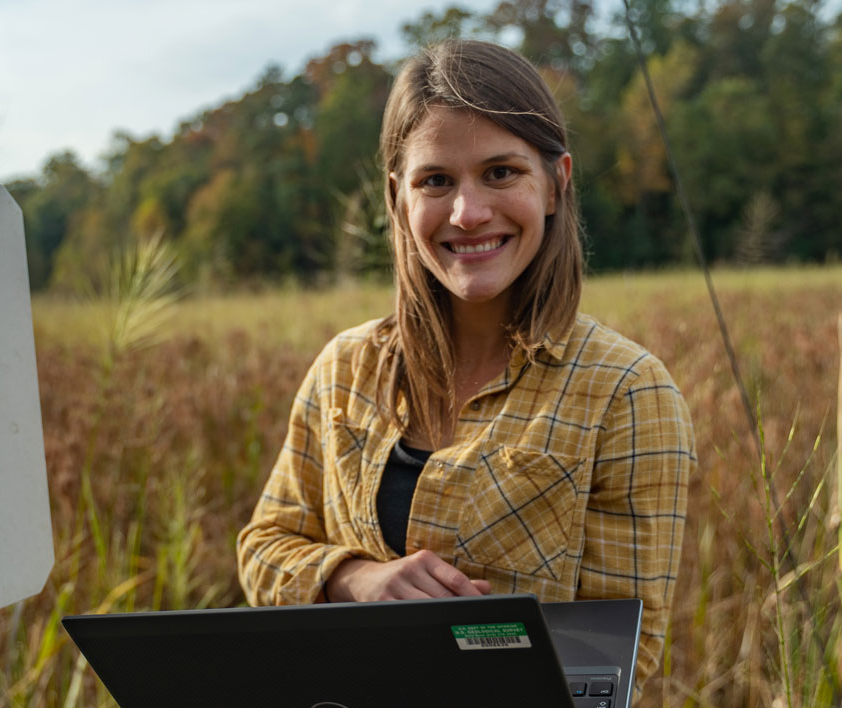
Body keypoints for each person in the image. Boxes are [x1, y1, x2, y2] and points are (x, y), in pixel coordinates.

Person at [237, 38, 695, 695]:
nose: (468, 212)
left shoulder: (625, 391)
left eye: (501, 172)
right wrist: (352, 578)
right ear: (398, 199)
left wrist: (459, 649)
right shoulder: (345, 369)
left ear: (556, 185)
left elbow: (621, 651)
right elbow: (263, 549)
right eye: (436, 181)